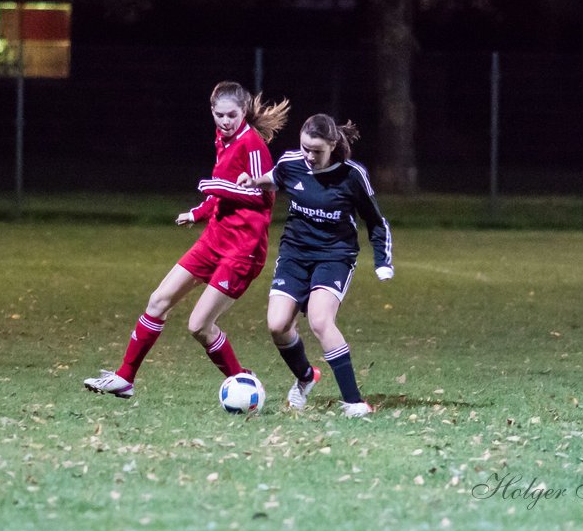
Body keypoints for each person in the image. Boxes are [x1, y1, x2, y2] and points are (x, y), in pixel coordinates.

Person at [83, 81, 290, 398]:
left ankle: (243, 382)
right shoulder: (223, 138)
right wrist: (199, 212)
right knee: (158, 301)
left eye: (231, 115)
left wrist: (216, 188)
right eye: (218, 115)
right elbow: (221, 190)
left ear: (244, 113)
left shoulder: (253, 146)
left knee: (199, 326)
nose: (224, 121)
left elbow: (264, 199)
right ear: (212, 111)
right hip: (214, 240)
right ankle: (125, 378)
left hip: (242, 252)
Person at [238, 113, 393, 417]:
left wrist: (382, 261)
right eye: (305, 148)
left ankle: (353, 402)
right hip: (295, 252)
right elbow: (276, 178)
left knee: (321, 321)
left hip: (335, 255)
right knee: (277, 325)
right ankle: (306, 377)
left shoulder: (352, 175)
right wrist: (254, 180)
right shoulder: (291, 162)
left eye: (316, 151)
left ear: (333, 145)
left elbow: (376, 221)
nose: (309, 156)